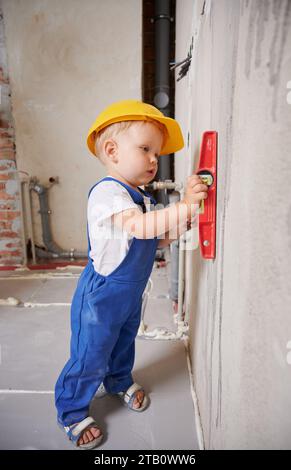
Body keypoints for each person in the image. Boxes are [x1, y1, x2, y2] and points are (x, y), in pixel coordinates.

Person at [54, 99, 208, 449]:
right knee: (90, 353)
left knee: (123, 342)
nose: (155, 159)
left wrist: (184, 219)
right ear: (112, 150)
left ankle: (119, 380)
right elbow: (139, 228)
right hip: (101, 294)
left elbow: (154, 236)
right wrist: (182, 205)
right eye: (145, 149)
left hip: (130, 291)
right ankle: (72, 411)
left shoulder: (139, 197)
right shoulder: (108, 193)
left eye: (157, 152)